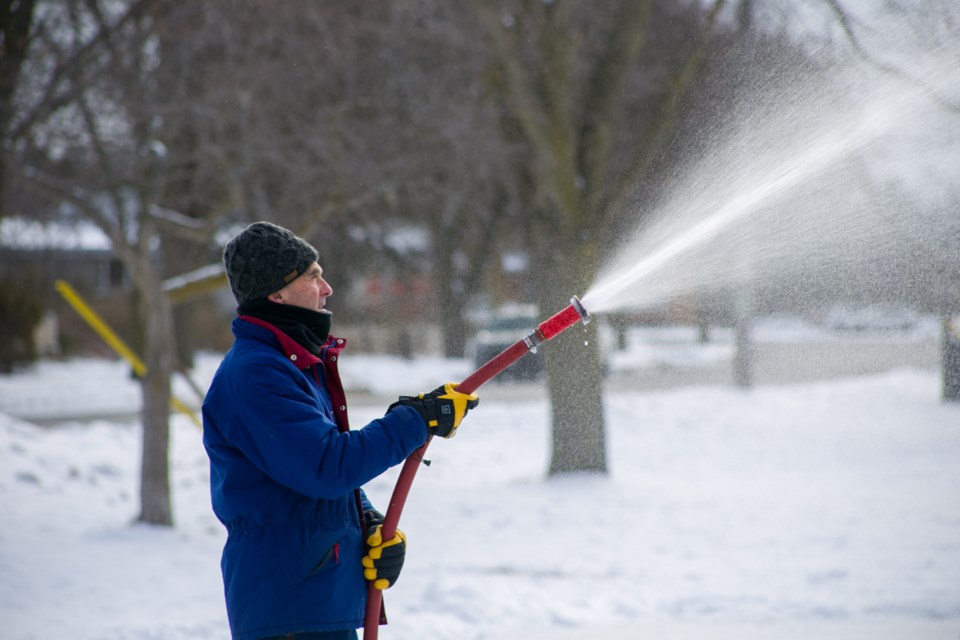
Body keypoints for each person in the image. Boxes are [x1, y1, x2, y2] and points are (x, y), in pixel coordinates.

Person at [202, 221, 479, 640]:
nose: (327, 287)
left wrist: (368, 522)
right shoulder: (258, 375)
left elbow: (311, 474)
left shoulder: (290, 364)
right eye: (313, 276)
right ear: (277, 293)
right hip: (290, 609)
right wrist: (416, 420)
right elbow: (326, 465)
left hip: (315, 598)